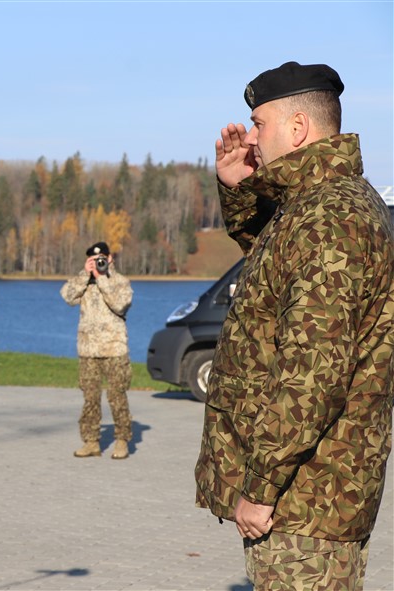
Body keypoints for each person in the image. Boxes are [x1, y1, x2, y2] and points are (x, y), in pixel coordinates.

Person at [194, 62, 394, 590]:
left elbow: (313, 374)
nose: (251, 139)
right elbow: (277, 267)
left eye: (259, 124)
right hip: (308, 498)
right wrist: (239, 189)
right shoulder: (318, 205)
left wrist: (260, 488)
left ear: (299, 127)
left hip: (306, 502)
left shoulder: (331, 217)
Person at [60, 241, 133, 460]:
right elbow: (67, 296)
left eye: (102, 258)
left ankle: (122, 440)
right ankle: (91, 441)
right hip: (88, 349)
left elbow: (120, 304)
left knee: (117, 396)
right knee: (90, 398)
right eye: (94, 259)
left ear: (110, 258)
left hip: (114, 348)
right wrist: (85, 273)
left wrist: (101, 279)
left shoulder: (121, 282)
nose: (99, 262)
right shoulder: (84, 282)